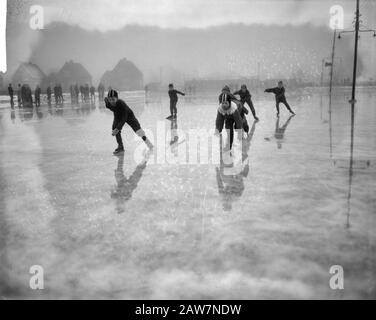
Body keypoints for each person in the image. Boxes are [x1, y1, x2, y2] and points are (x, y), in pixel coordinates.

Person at [105, 89, 154, 155]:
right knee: (114, 127)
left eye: (113, 99)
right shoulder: (108, 104)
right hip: (117, 115)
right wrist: (116, 128)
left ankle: (148, 142)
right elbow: (108, 104)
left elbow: (124, 118)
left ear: (117, 98)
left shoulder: (122, 104)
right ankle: (120, 146)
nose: (112, 101)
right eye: (110, 99)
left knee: (138, 131)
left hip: (128, 115)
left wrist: (118, 128)